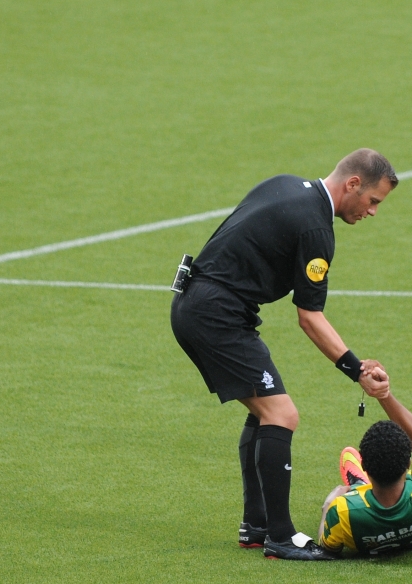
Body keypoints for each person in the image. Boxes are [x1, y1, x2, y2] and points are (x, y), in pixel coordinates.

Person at [170, 149, 398, 560]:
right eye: (373, 200)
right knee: (281, 414)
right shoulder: (316, 229)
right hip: (215, 314)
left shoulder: (288, 184)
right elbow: (309, 317)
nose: (373, 211)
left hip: (205, 304)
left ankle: (256, 524)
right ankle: (280, 535)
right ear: (352, 185)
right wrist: (356, 369)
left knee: (264, 411)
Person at [319, 367, 412, 556]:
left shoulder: (341, 511)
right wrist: (383, 395)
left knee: (355, 495)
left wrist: (327, 507)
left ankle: (359, 485)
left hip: (363, 513)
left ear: (364, 466)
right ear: (407, 464)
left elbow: (328, 548)